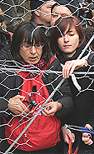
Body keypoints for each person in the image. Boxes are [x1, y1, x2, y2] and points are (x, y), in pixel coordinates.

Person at [0, 21, 73, 153]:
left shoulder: (52, 65)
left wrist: (58, 105)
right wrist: (8, 105)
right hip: (14, 145)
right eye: (27, 46)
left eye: (38, 46)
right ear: (17, 47)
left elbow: (67, 97)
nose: (33, 52)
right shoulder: (5, 67)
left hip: (49, 143)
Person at [50, 16, 94, 153]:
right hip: (69, 136)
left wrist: (86, 62)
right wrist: (63, 126)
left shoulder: (93, 58)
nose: (66, 40)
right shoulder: (53, 65)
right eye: (61, 36)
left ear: (80, 37)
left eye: (71, 35)